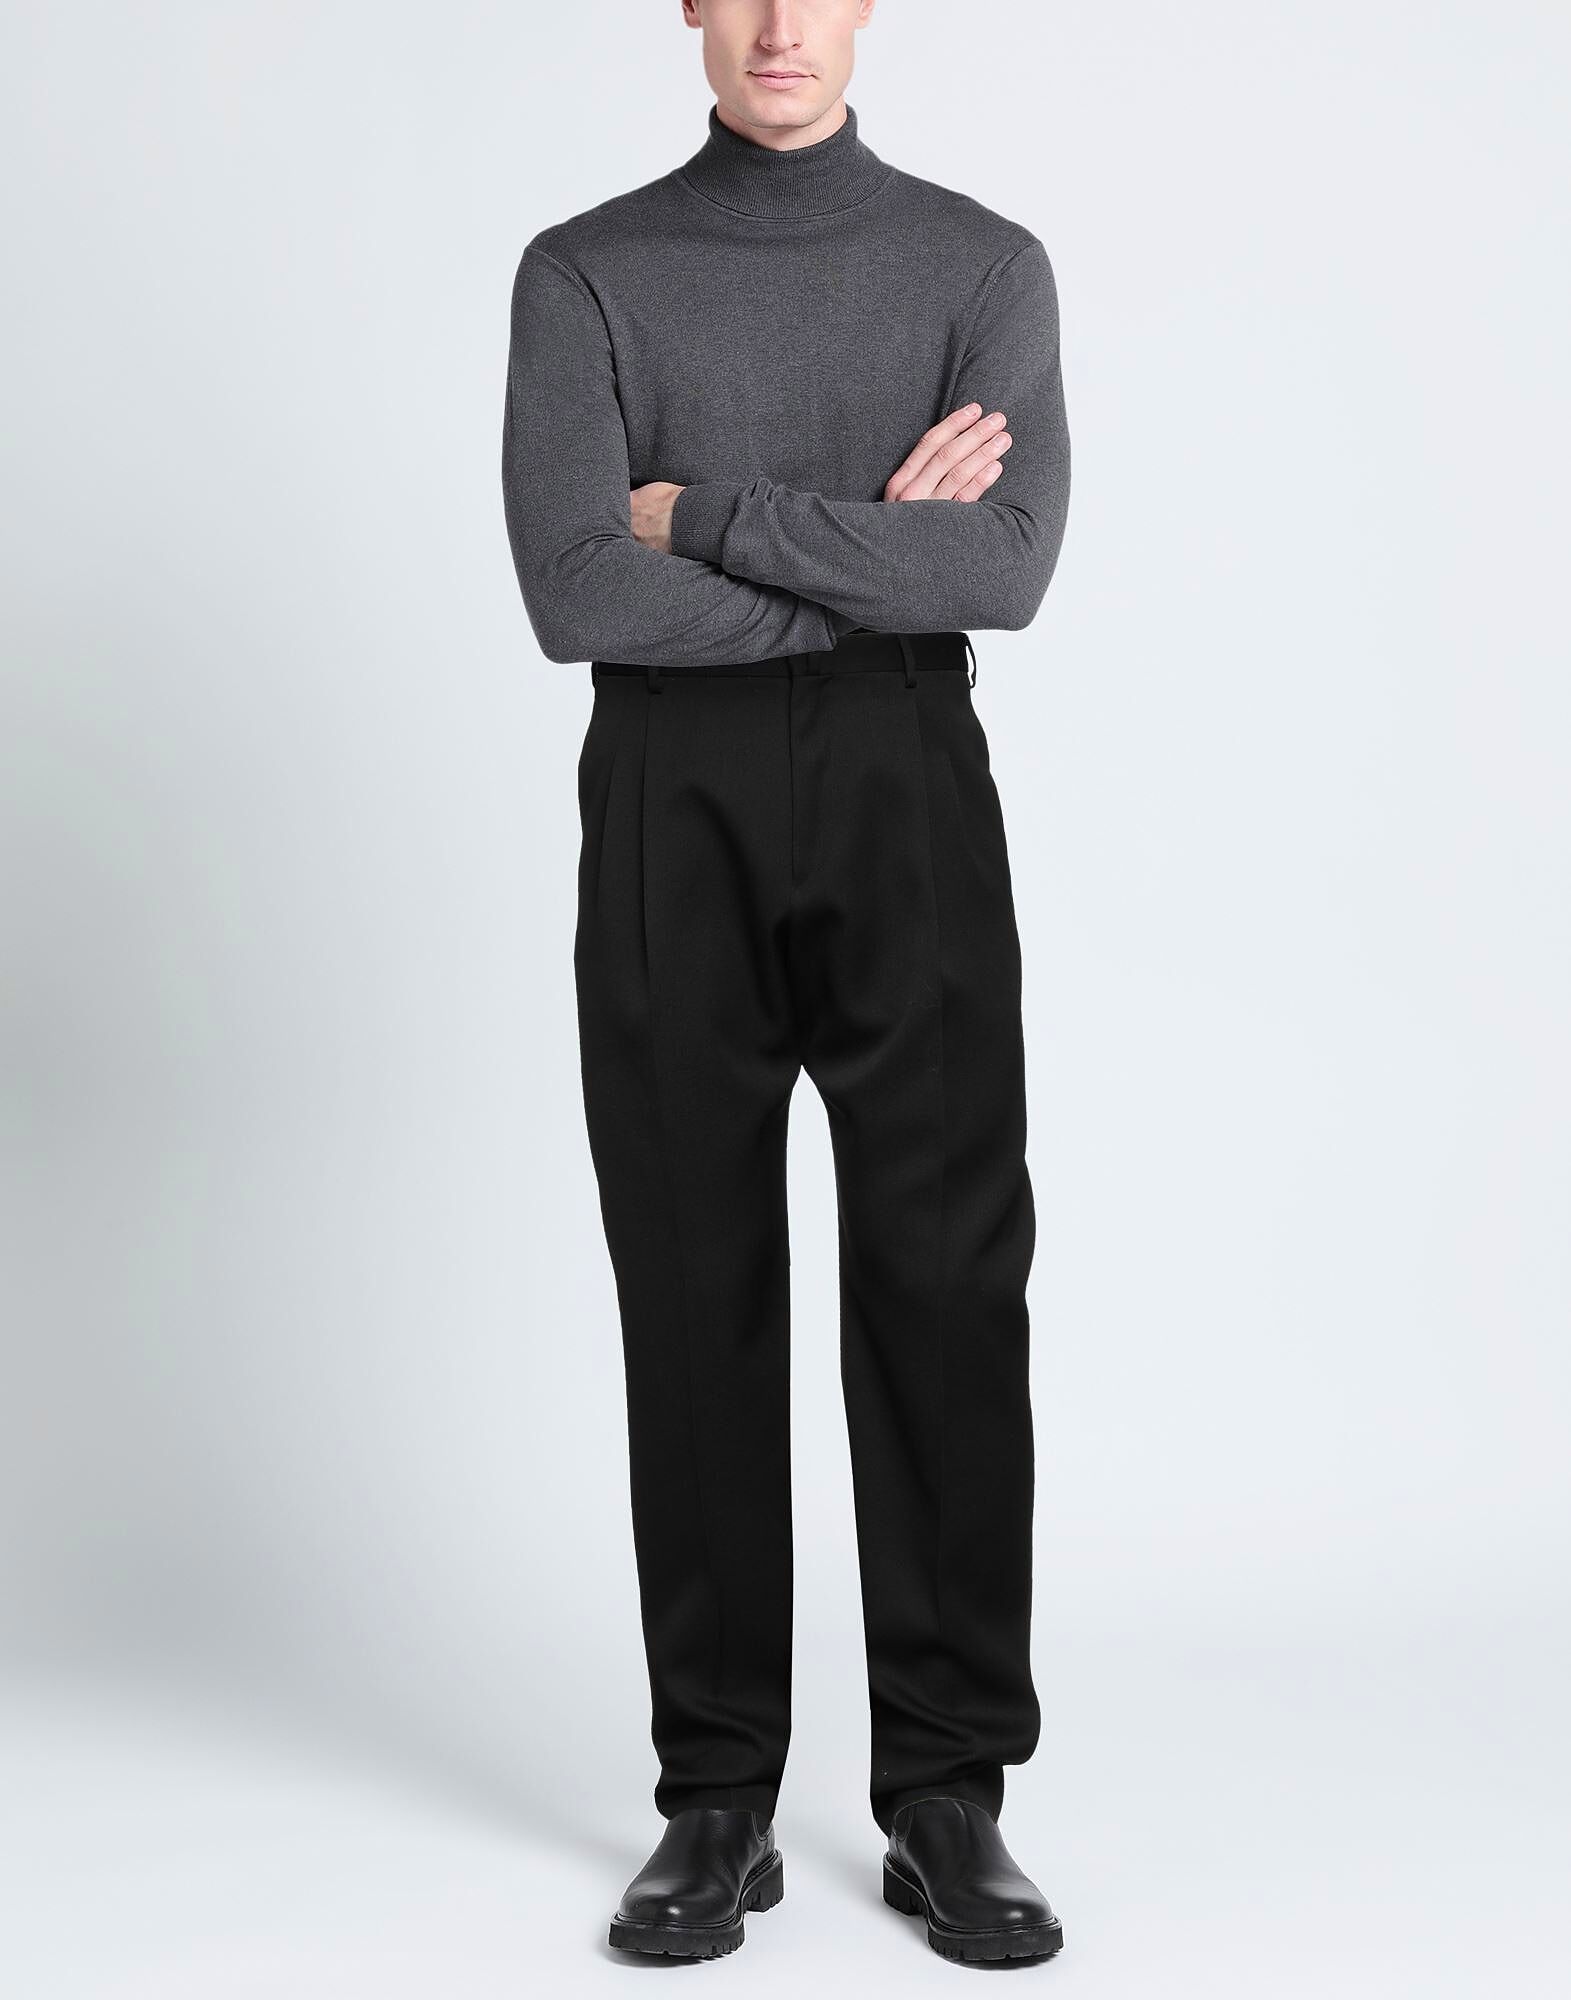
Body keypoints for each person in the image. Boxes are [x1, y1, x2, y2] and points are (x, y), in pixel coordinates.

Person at [501, 0, 1070, 1966]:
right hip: (674, 789)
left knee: (944, 1274)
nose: (776, 26)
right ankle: (717, 1794)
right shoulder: (587, 274)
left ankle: (947, 1793)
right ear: (685, 1)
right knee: (695, 1273)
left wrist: (712, 514)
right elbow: (576, 587)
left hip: (912, 778)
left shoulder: (981, 269)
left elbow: (1003, 570)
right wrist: (868, 554)